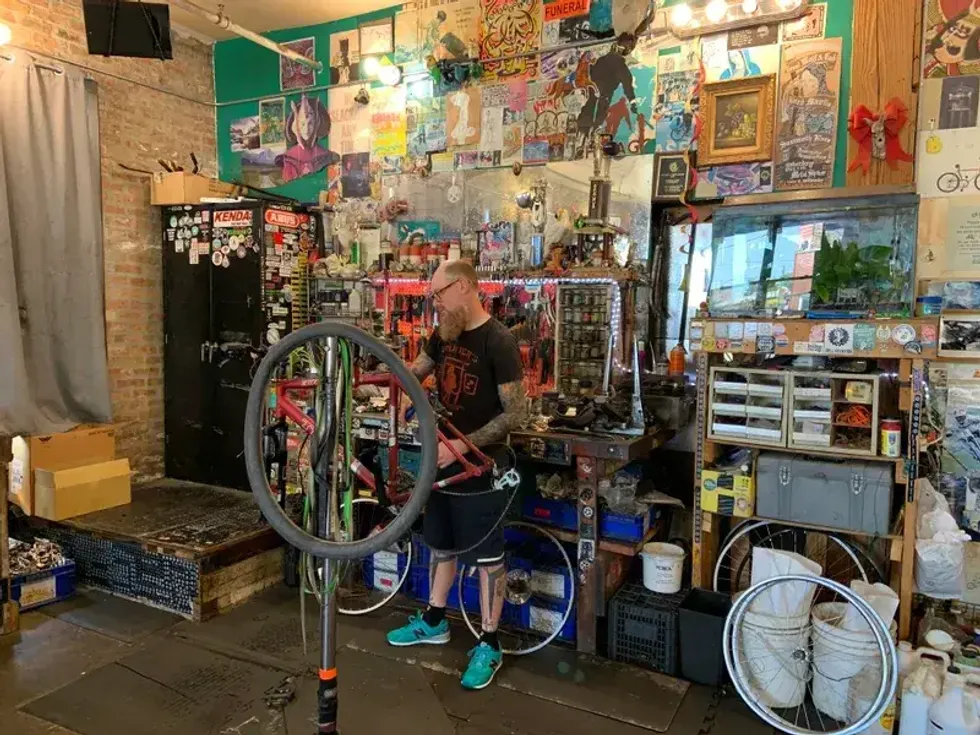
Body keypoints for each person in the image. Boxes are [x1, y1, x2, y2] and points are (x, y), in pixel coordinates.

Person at [386, 260, 528, 691]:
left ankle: (489, 642)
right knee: (440, 544)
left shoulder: (498, 341)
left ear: (464, 286)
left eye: (439, 294)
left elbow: (518, 412)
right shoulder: (444, 333)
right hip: (441, 459)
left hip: (480, 465)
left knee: (487, 558)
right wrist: (388, 381)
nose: (435, 303)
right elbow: (416, 373)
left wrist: (462, 446)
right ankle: (433, 620)